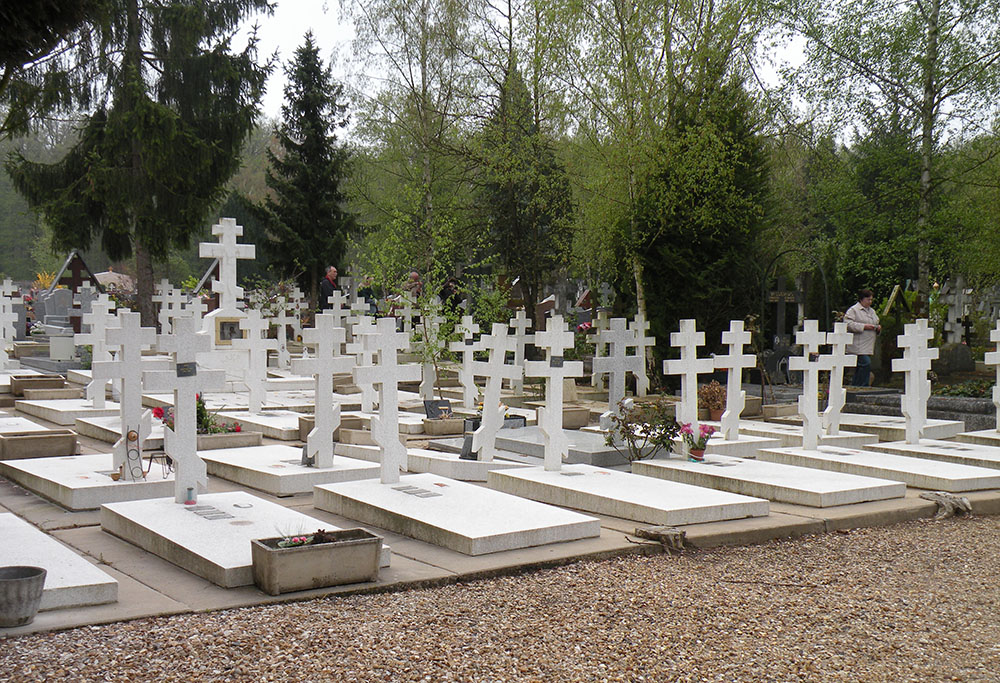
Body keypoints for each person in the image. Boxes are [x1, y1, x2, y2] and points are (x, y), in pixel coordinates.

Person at [845, 288, 881, 387]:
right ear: (861, 299)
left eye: (871, 300)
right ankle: (863, 385)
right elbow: (848, 324)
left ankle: (856, 385)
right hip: (858, 345)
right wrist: (864, 326)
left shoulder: (872, 311)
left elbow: (876, 322)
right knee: (865, 363)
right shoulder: (853, 310)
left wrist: (877, 328)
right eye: (868, 299)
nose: (870, 302)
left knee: (860, 367)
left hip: (868, 344)